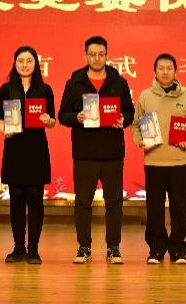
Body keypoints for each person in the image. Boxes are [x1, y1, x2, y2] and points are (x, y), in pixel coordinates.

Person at [58, 36, 135, 264]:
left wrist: (123, 119)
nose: (97, 58)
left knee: (114, 202)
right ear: (86, 56)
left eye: (101, 54)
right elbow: (62, 115)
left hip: (112, 152)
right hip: (85, 152)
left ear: (107, 55)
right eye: (92, 54)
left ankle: (113, 248)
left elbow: (130, 112)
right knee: (83, 201)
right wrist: (77, 117)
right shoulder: (74, 83)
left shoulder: (119, 82)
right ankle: (84, 247)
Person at [131, 53, 186, 264]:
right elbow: (136, 124)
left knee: (179, 208)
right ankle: (156, 249)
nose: (165, 72)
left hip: (179, 161)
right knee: (155, 209)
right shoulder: (145, 96)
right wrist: (140, 141)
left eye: (169, 68)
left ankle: (178, 249)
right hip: (154, 161)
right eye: (161, 68)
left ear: (175, 71)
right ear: (155, 72)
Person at [0, 46, 56, 265]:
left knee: (35, 199)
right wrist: (4, 130)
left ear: (36, 64)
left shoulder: (45, 89)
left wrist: (47, 120)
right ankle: (18, 247)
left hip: (36, 149)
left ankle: (33, 249)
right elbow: (0, 118)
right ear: (15, 64)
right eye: (20, 61)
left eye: (29, 61)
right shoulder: (6, 89)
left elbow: (52, 120)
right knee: (16, 200)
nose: (24, 64)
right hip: (14, 149)